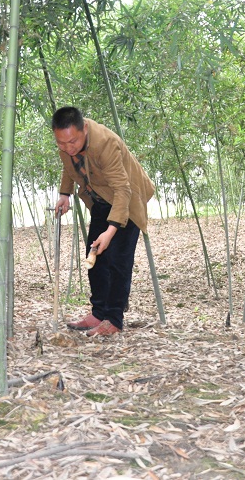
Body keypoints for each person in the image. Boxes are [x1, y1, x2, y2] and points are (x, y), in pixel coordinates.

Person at [52, 107, 155, 337]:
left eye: (73, 141)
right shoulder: (66, 142)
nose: (68, 148)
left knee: (118, 260)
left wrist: (110, 231)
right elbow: (69, 167)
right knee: (95, 258)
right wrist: (64, 194)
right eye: (62, 143)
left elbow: (122, 189)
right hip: (100, 197)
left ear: (85, 129)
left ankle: (114, 319)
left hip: (127, 199)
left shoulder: (105, 143)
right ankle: (98, 313)